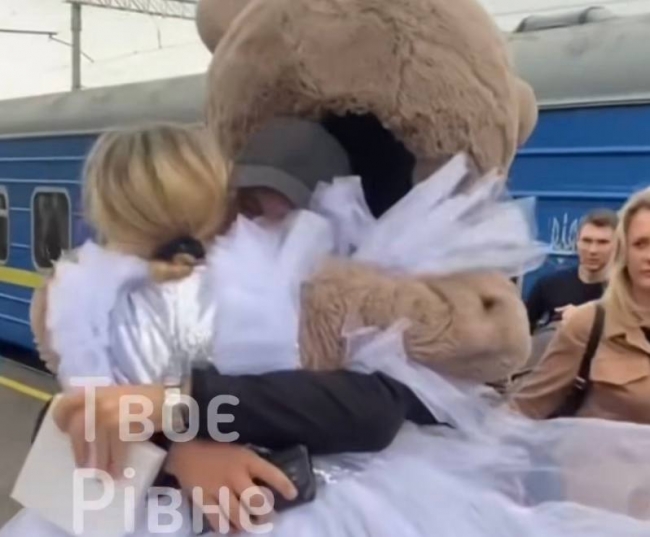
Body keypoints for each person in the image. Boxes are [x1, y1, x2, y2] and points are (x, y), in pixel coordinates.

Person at [513, 188, 650, 423]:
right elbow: (523, 409)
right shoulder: (588, 324)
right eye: (640, 244)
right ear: (624, 251)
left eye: (601, 242)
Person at [525, 208, 617, 332]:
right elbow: (522, 333)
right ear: (576, 243)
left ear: (618, 245)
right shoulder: (548, 285)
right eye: (586, 241)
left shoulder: (626, 291)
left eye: (602, 242)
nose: (592, 250)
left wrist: (583, 318)